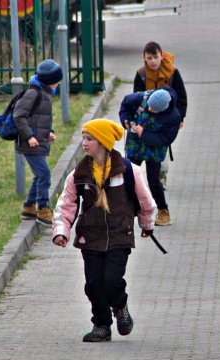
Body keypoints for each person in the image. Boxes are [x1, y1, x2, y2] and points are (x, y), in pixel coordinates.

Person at [52, 118, 156, 342]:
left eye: (89, 139)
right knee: (93, 284)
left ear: (103, 142)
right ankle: (101, 325)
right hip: (91, 236)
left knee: (112, 280)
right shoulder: (79, 175)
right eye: (83, 138)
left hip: (120, 234)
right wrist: (61, 231)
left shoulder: (128, 171)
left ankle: (120, 307)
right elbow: (66, 204)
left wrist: (147, 224)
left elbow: (145, 201)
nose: (84, 143)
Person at [119, 87, 181, 226]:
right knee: (127, 174)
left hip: (154, 149)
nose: (150, 110)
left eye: (155, 110)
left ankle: (163, 211)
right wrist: (126, 120)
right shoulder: (141, 98)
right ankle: (121, 209)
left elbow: (166, 139)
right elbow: (125, 105)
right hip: (135, 146)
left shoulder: (173, 117)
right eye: (149, 106)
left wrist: (143, 134)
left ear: (164, 109)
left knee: (153, 181)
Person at [133, 41, 188, 191]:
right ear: (144, 59)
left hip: (166, 119)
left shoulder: (172, 73)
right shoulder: (141, 75)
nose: (152, 61)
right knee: (144, 146)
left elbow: (181, 97)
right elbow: (136, 97)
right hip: (147, 119)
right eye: (149, 58)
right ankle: (138, 177)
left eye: (155, 57)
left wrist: (180, 117)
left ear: (161, 56)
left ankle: (161, 175)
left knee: (161, 147)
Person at [15, 59, 62, 226]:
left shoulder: (44, 95)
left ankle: (28, 207)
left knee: (39, 175)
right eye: (57, 81)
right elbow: (18, 116)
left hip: (39, 142)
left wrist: (49, 133)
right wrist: (29, 136)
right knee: (44, 174)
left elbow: (40, 120)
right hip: (30, 144)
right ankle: (43, 209)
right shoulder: (33, 94)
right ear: (49, 81)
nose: (58, 84)